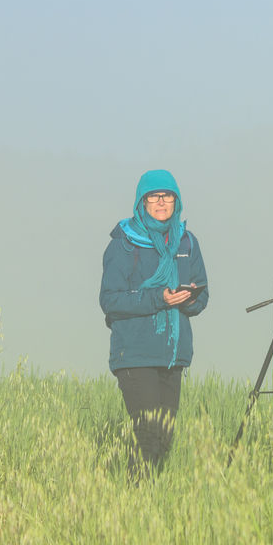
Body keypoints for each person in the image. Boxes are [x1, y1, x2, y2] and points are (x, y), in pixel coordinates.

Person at [99, 169, 208, 475]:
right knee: (147, 436)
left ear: (177, 200)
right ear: (141, 202)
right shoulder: (123, 244)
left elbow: (203, 294)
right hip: (134, 354)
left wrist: (187, 298)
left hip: (174, 356)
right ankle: (134, 507)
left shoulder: (186, 243)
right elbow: (111, 300)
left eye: (167, 195)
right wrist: (159, 297)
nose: (161, 202)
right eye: (154, 196)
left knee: (164, 438)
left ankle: (151, 507)